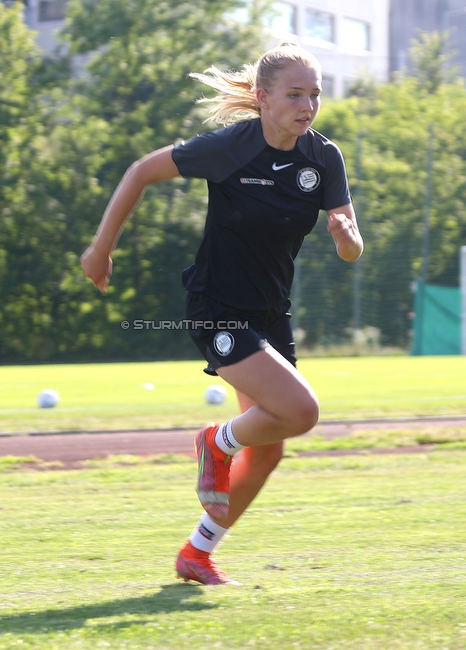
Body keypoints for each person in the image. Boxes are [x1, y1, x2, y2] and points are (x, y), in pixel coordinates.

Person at [82, 43, 363, 584]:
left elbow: (352, 250)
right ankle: (215, 442)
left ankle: (197, 553)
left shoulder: (324, 157)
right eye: (295, 94)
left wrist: (348, 239)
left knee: (271, 449)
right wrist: (101, 249)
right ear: (262, 98)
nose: (308, 106)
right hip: (219, 308)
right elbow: (140, 172)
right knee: (302, 411)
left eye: (316, 95)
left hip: (270, 315)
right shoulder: (230, 148)